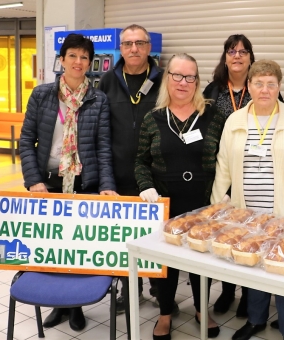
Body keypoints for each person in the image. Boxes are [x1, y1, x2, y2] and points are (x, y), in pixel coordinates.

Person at [211, 59, 284, 340]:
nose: (264, 90)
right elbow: (223, 167)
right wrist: (216, 212)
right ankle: (256, 320)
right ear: (248, 86)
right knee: (253, 269)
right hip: (246, 214)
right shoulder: (235, 121)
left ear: (279, 87)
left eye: (271, 84)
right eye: (258, 83)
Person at [19, 33, 118, 331]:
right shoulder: (42, 95)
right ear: (61, 59)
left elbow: (103, 146)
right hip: (47, 184)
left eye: (84, 57)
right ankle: (57, 304)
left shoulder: (98, 99)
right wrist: (34, 180)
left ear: (91, 62)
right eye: (72, 55)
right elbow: (26, 141)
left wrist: (106, 184)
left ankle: (75, 307)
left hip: (83, 182)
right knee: (49, 245)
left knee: (76, 246)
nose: (78, 62)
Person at [135, 53, 226, 340]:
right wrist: (144, 185)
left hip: (203, 203)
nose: (183, 82)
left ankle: (202, 309)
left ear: (197, 81)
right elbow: (140, 161)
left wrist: (226, 194)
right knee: (167, 262)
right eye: (177, 75)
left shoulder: (212, 116)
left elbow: (228, 158)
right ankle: (164, 313)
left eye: (190, 77)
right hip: (166, 202)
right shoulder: (153, 118)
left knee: (202, 261)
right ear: (167, 78)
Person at [202, 33, 284, 318]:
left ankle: (250, 298)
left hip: (257, 174)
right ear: (225, 57)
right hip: (223, 172)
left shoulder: (264, 86)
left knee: (253, 240)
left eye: (243, 51)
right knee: (229, 236)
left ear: (251, 57)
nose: (237, 56)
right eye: (231, 51)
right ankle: (227, 292)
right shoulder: (213, 90)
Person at [98, 23, 166, 314]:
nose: (134, 49)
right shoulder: (108, 81)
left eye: (140, 43)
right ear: (120, 48)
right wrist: (105, 179)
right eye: (128, 44)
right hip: (119, 174)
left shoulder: (164, 79)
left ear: (149, 47)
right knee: (125, 238)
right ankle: (129, 291)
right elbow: (99, 132)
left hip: (157, 176)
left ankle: (160, 289)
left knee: (158, 237)